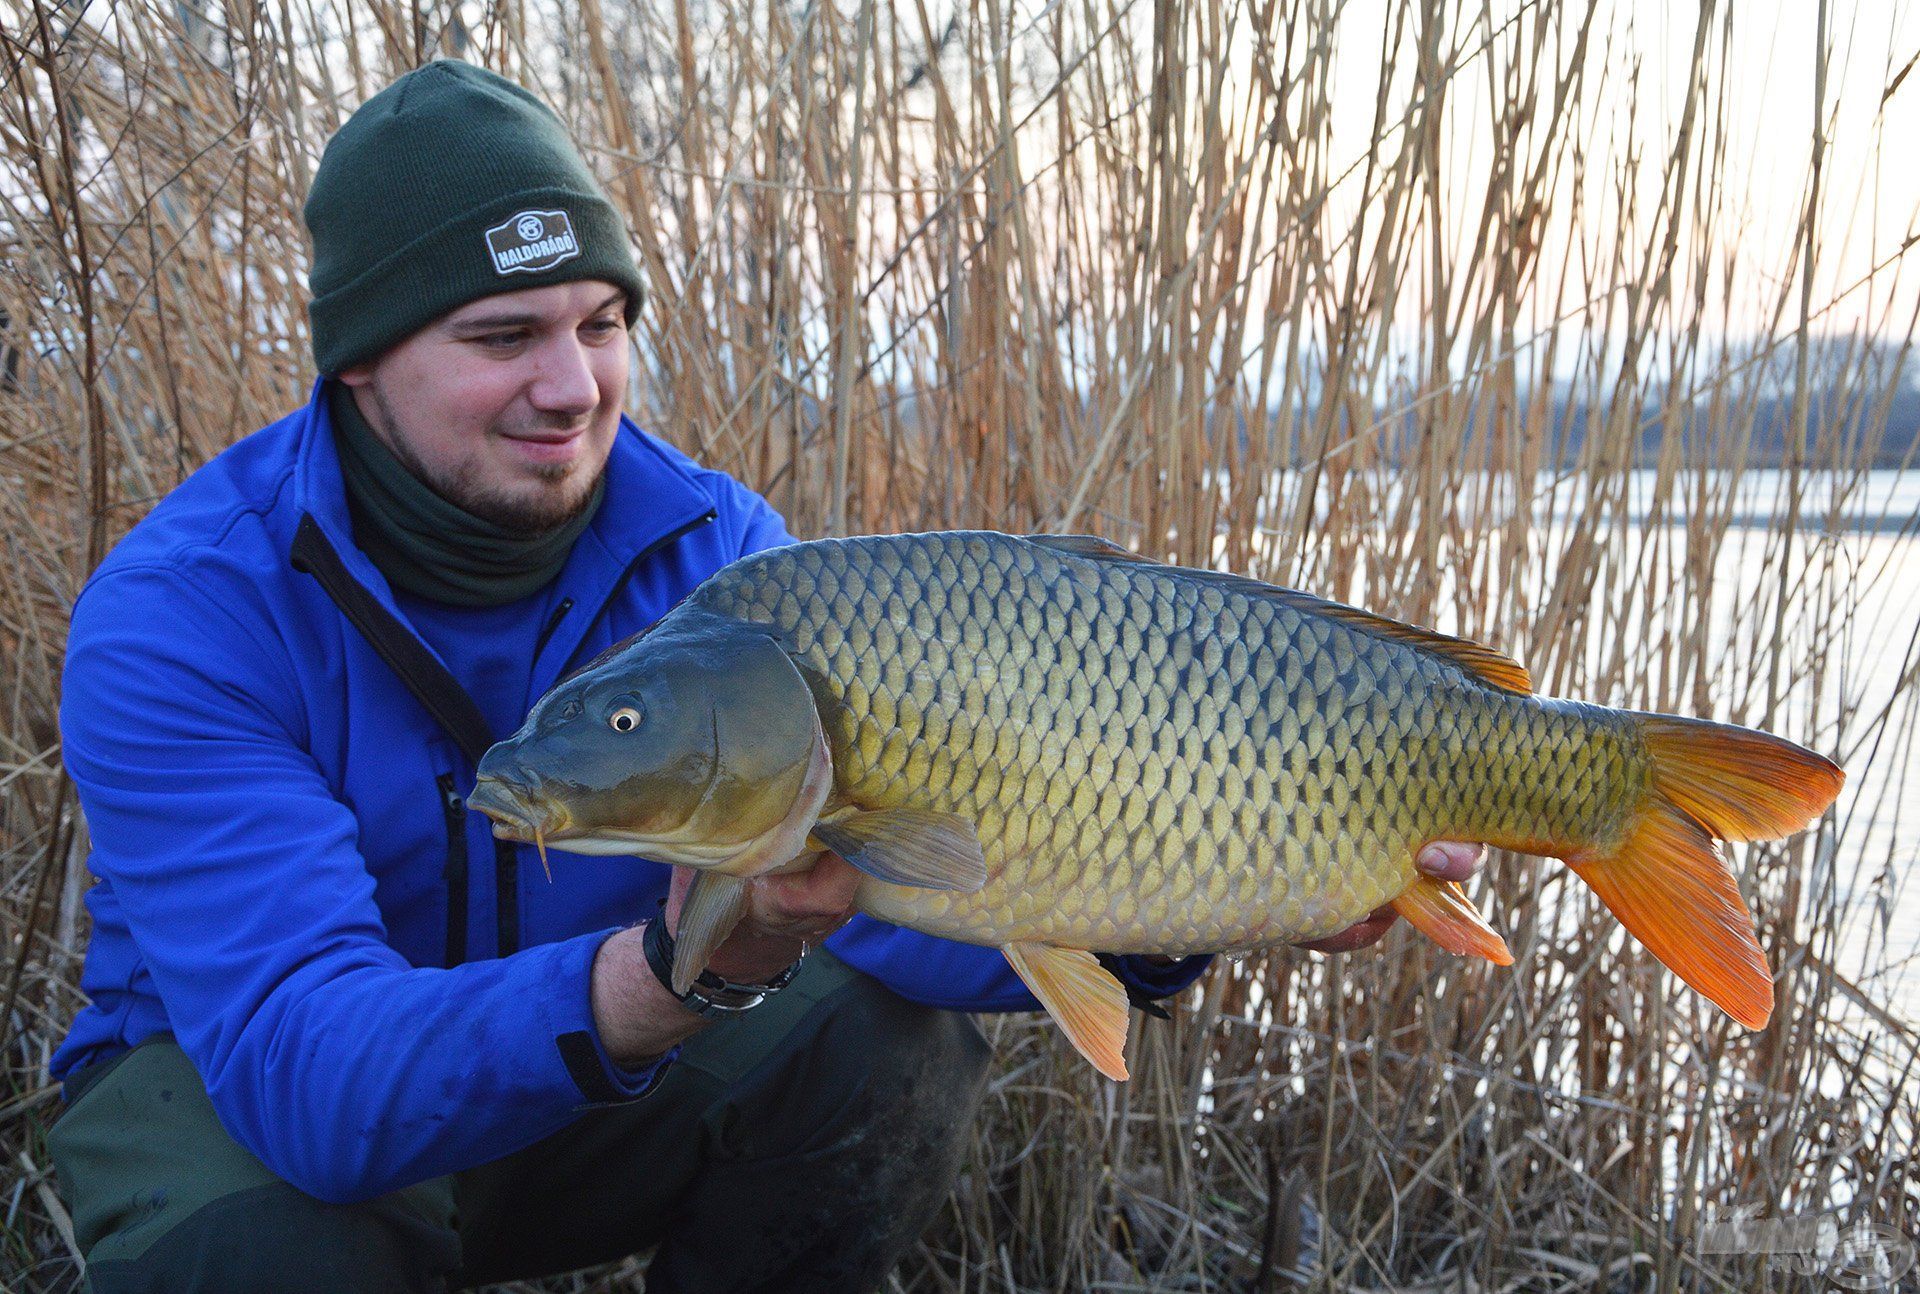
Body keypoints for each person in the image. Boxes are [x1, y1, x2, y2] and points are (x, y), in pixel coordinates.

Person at [42, 61, 1487, 1293]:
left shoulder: (728, 562)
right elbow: (310, 1074)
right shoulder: (184, 618)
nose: (573, 386)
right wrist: (658, 982)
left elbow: (898, 904)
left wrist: (1199, 893)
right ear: (357, 368)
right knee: (267, 1246)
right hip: (250, 1123)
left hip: (583, 1095)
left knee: (887, 1042)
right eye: (503, 337)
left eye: (602, 323)